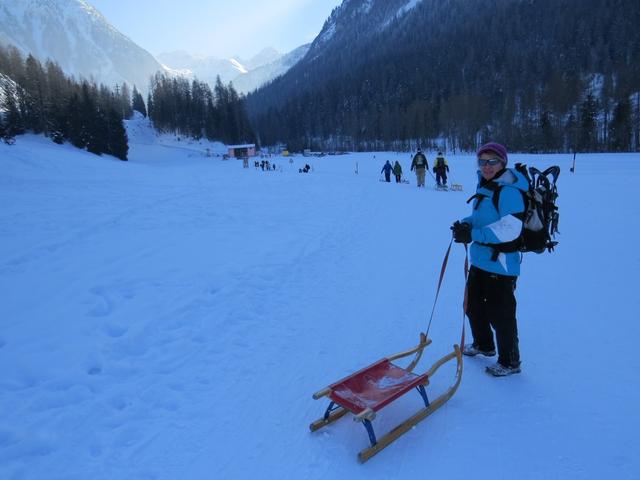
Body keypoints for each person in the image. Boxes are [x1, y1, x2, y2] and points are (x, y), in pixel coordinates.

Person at [450, 142, 528, 377]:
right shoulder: (486, 186)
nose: (486, 166)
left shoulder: (509, 191)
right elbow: (480, 218)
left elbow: (509, 230)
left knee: (501, 314)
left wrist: (472, 234)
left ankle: (510, 361)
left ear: (503, 163)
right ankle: (484, 344)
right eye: (482, 161)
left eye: (492, 161)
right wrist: (466, 224)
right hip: (481, 260)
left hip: (501, 264)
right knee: (472, 305)